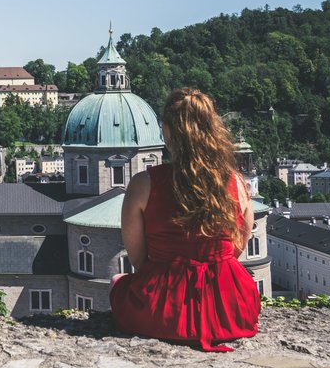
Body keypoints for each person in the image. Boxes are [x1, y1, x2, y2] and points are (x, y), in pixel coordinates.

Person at [110, 87, 260, 352]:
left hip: (162, 313)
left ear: (167, 132)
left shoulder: (144, 184)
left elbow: (139, 260)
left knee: (117, 282)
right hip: (232, 311)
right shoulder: (237, 182)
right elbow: (236, 249)